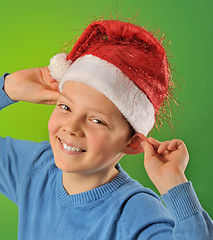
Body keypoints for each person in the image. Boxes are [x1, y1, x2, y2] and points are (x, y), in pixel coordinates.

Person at [0, 19, 212, 240]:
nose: (72, 127)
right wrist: (8, 88)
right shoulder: (36, 168)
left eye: (97, 121)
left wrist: (173, 182)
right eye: (65, 106)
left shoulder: (135, 214)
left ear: (131, 143)